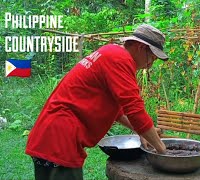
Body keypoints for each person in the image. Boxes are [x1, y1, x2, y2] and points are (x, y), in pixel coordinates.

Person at [25, 24, 168, 180]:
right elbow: (134, 108)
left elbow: (118, 113)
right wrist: (163, 151)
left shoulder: (111, 53)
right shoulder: (120, 59)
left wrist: (144, 133)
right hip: (59, 141)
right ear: (141, 47)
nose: (150, 65)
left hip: (51, 136)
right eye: (152, 58)